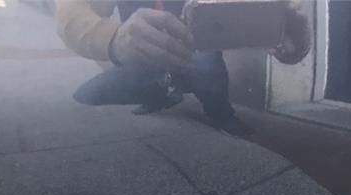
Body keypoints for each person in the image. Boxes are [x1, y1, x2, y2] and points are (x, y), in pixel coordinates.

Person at [55, 1, 310, 131]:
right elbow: (72, 9)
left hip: (194, 45)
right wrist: (111, 38)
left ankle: (222, 115)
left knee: (209, 67)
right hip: (143, 49)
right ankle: (158, 96)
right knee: (87, 95)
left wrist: (284, 33)